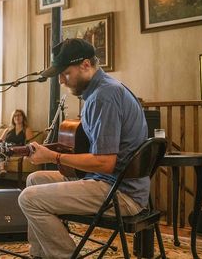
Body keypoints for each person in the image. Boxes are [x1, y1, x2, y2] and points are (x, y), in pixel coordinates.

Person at [18, 38, 148, 259]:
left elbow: (105, 163)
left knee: (28, 198)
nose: (61, 81)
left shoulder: (103, 96)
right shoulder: (103, 90)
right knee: (34, 180)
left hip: (121, 194)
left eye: (65, 73)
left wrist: (53, 156)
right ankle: (39, 254)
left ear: (86, 65)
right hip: (109, 183)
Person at [0, 109, 33, 183]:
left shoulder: (26, 129)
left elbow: (30, 144)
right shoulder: (8, 130)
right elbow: (0, 140)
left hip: (18, 149)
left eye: (19, 115)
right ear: (13, 118)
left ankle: (0, 170)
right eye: (15, 116)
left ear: (23, 117)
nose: (17, 117)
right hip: (5, 148)